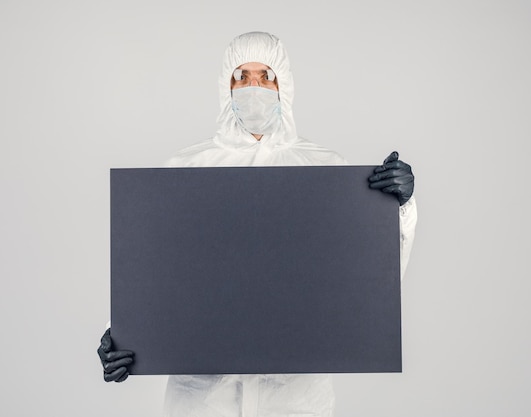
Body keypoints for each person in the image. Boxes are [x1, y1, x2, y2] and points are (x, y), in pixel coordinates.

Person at [97, 31, 417, 417]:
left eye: (266, 76)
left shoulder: (328, 171)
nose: (254, 87)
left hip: (297, 399)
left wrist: (398, 207)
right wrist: (121, 335)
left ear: (285, 84)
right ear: (225, 86)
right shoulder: (185, 170)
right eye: (242, 77)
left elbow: (372, 280)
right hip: (199, 399)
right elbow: (151, 270)